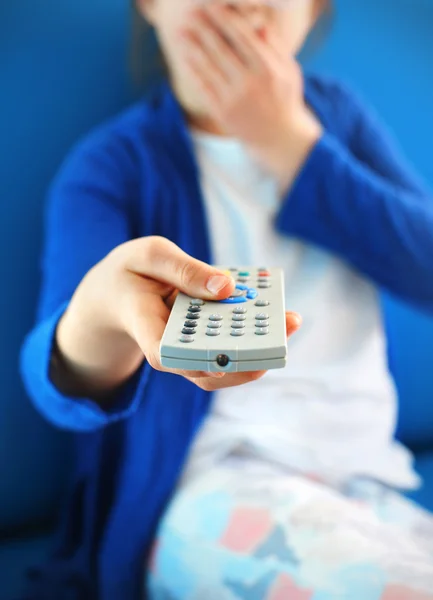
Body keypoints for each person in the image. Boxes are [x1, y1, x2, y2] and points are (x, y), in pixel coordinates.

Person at [20, 0, 433, 598]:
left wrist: (290, 144)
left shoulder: (339, 119)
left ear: (314, 11)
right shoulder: (114, 164)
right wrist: (100, 318)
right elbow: (54, 381)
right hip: (203, 496)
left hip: (365, 480)